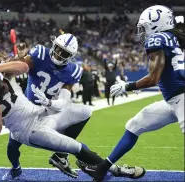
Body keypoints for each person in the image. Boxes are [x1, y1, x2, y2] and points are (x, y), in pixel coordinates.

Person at [0, 61, 143, 181]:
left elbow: (23, 67)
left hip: (41, 113)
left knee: (85, 110)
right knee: (77, 147)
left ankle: (59, 156)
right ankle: (113, 169)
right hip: (29, 130)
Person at [77, 5, 185, 182]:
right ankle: (102, 169)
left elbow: (153, 78)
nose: (142, 32)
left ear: (157, 24)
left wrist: (127, 86)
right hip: (172, 100)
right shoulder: (173, 37)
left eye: (144, 27)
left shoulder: (158, 39)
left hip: (182, 98)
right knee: (135, 124)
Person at [6, 34, 90, 179]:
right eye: (58, 49)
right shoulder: (39, 54)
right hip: (27, 109)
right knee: (12, 146)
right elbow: (19, 67)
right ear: (53, 45)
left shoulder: (72, 71)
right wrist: (19, 59)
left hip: (49, 112)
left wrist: (49, 102)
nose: (58, 54)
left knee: (81, 115)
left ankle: (62, 155)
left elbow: (63, 102)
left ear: (70, 56)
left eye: (64, 53)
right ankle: (16, 168)